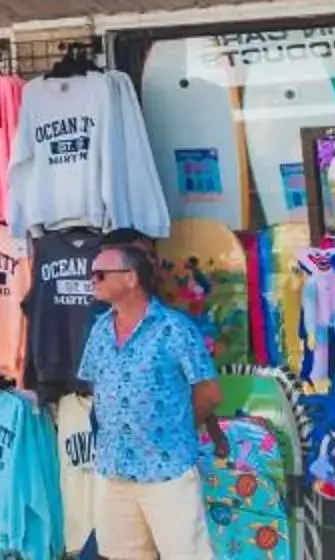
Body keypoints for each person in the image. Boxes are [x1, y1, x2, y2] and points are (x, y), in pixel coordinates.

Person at [81, 233, 221, 560]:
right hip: (114, 471)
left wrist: (175, 430)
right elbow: (96, 386)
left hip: (166, 470)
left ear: (130, 278)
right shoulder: (100, 329)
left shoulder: (175, 328)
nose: (92, 281)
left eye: (100, 274)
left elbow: (209, 392)